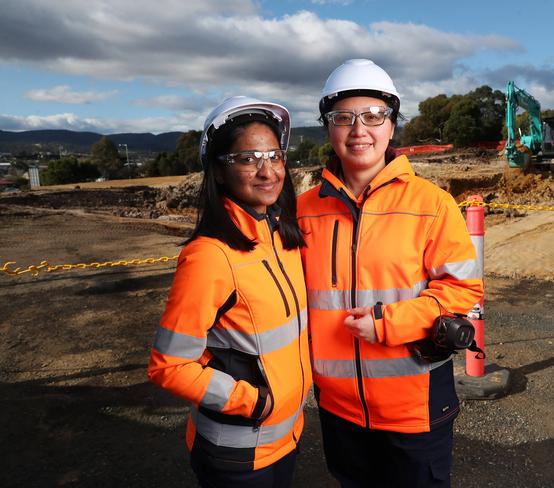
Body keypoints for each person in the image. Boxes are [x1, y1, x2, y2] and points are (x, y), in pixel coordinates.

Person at [297, 59, 484, 487]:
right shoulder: (302, 211)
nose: (358, 129)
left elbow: (462, 290)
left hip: (414, 409)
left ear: (392, 125)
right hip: (338, 409)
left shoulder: (432, 203)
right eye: (343, 117)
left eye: (373, 116)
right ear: (328, 127)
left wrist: (389, 322)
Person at [148, 96, 312, 488]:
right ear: (219, 172)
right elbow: (169, 366)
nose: (267, 170)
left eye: (274, 156)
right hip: (238, 454)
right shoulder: (210, 257)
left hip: (286, 439)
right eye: (248, 159)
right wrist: (254, 403)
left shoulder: (282, 238)